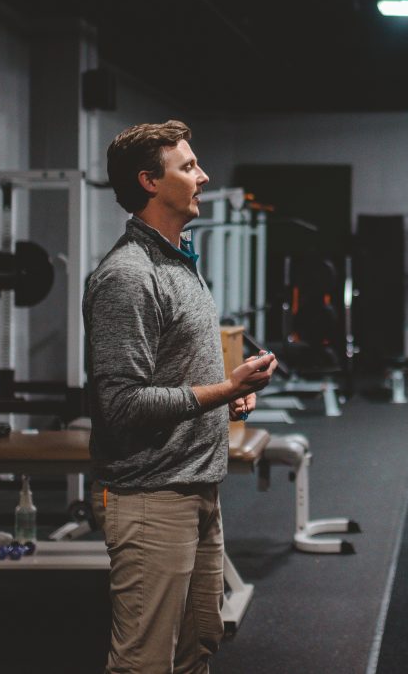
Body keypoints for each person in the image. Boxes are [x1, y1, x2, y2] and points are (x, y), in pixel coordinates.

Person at [86, 119, 277, 673]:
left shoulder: (179, 262)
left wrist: (235, 392)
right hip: (151, 497)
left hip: (197, 486)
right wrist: (224, 388)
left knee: (198, 647)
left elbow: (179, 374)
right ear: (150, 181)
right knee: (145, 662)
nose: (203, 175)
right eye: (188, 166)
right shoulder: (128, 276)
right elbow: (120, 405)